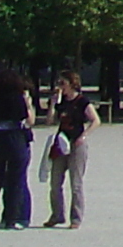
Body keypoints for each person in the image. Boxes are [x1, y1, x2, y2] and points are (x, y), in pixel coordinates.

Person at [0, 65, 32, 228]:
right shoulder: (19, 97)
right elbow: (29, 121)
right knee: (15, 181)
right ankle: (11, 219)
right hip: (16, 137)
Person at [40, 71, 95, 229]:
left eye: (63, 83)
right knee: (55, 182)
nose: (60, 87)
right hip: (61, 143)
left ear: (72, 84)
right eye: (59, 84)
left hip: (76, 143)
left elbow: (95, 120)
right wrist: (52, 104)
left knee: (76, 183)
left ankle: (76, 218)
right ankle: (57, 215)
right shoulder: (61, 101)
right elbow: (49, 121)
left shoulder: (82, 101)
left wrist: (84, 136)